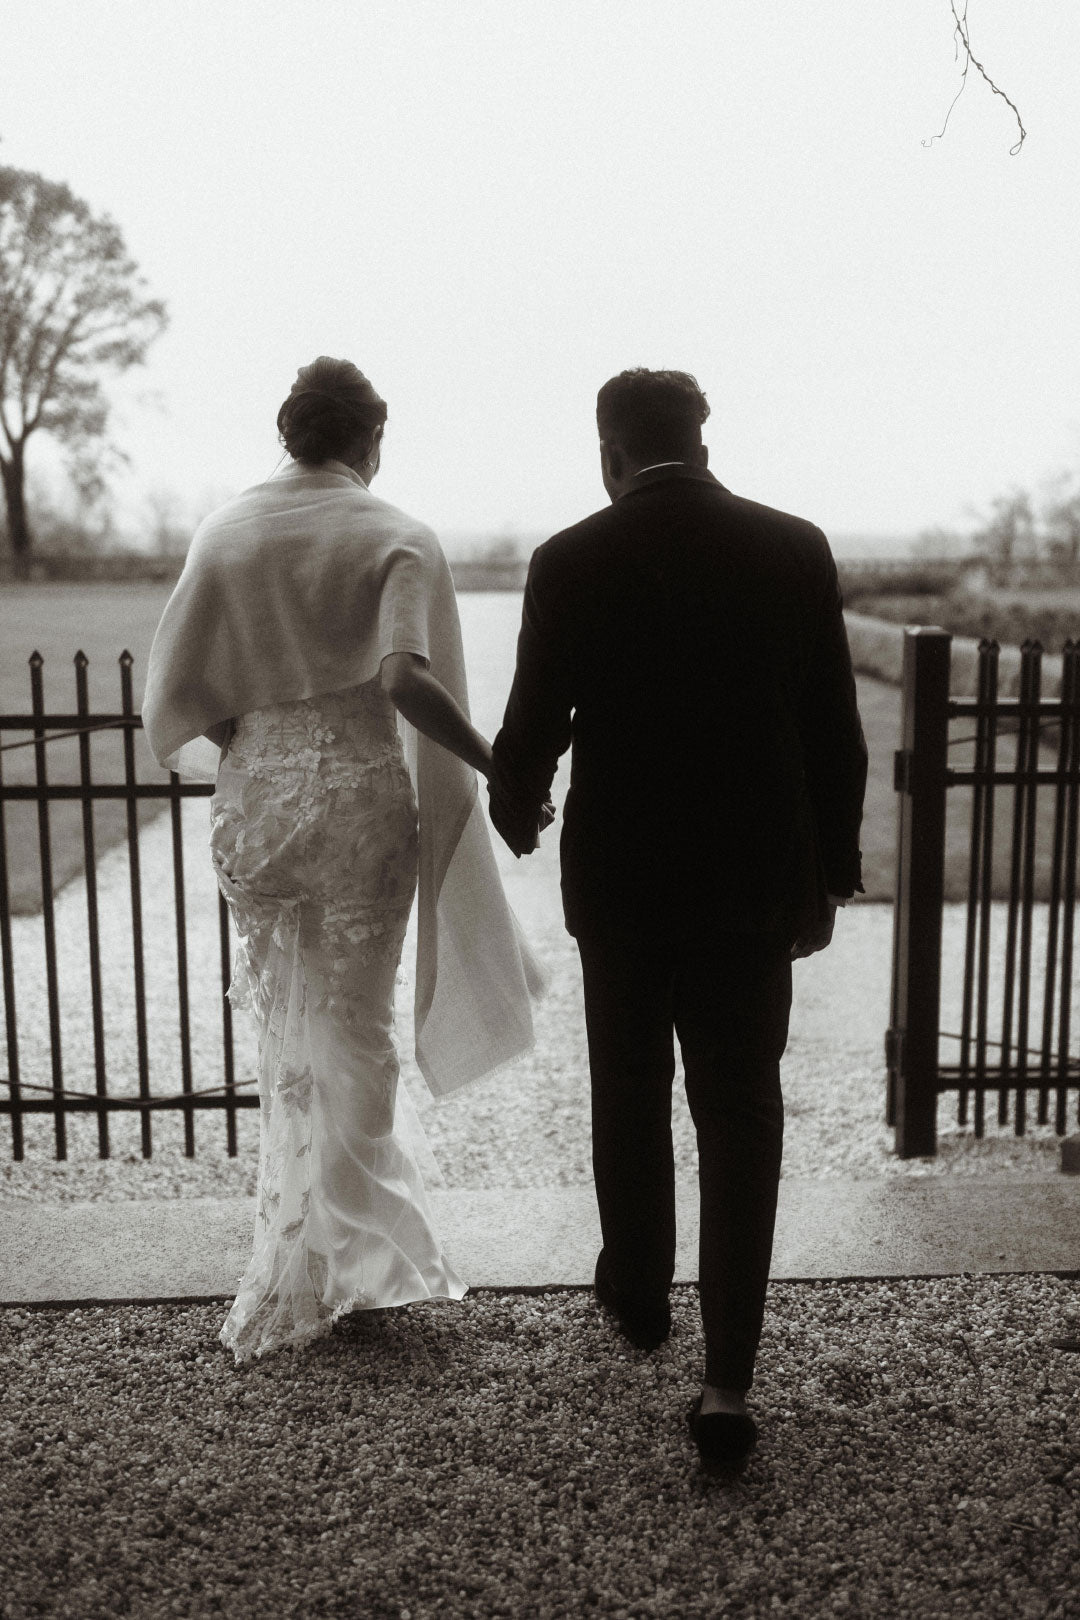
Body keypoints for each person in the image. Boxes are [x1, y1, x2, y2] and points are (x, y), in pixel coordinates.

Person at [488, 367, 867, 1473]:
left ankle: (643, 1295)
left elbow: (535, 716)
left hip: (625, 881)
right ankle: (727, 1379)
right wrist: (831, 875)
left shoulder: (571, 558)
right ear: (703, 442)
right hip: (754, 878)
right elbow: (830, 729)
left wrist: (518, 808)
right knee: (743, 1111)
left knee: (629, 1089)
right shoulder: (794, 547)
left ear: (609, 453)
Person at [143, 356, 544, 1362]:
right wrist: (497, 762)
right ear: (371, 440)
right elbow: (405, 679)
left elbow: (182, 692)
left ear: (291, 434)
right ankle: (356, 1261)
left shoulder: (225, 532)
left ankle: (306, 1252)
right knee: (355, 1027)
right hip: (361, 804)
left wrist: (265, 738)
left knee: (287, 1023)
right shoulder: (395, 532)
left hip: (261, 807)